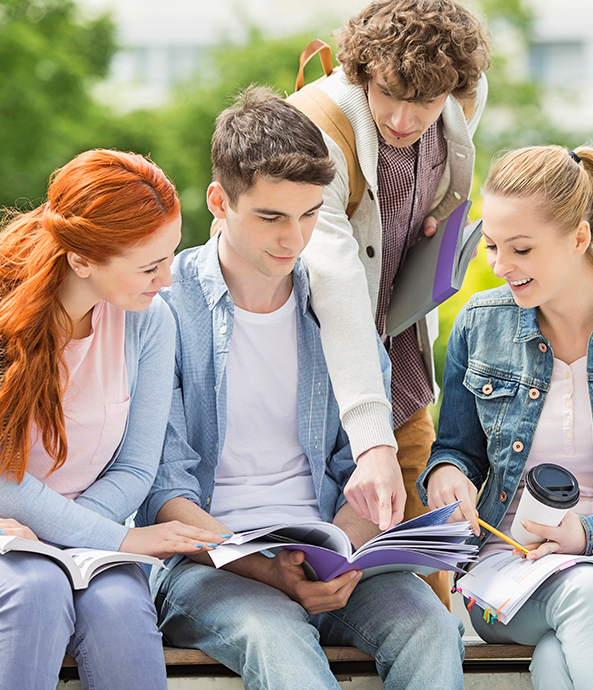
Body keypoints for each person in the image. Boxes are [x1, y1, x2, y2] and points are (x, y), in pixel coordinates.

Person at [136, 85, 465, 690]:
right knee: (277, 635)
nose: (294, 239)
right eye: (271, 217)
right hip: (208, 564)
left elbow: (360, 473)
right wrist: (271, 573)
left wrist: (341, 555)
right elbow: (163, 490)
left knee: (430, 626)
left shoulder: (337, 304)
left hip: (332, 554)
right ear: (219, 201)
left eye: (310, 215)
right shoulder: (164, 307)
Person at [0, 149, 226, 690]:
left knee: (120, 606)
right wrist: (119, 541)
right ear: (82, 260)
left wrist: (74, 537)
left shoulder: (150, 322)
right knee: (37, 589)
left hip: (85, 536)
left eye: (170, 257)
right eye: (150, 266)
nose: (167, 280)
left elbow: (134, 469)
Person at [298, 0, 491, 606]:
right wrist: (370, 438)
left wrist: (431, 216)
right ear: (360, 71)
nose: (404, 120)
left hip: (401, 360)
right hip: (313, 368)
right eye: (388, 94)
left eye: (426, 104)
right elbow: (333, 279)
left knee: (428, 572)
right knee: (317, 575)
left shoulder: (466, 95)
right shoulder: (316, 128)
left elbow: (442, 178)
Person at [420, 144, 593, 690]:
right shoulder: (481, 323)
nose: (499, 266)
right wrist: (447, 476)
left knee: (555, 660)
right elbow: (455, 452)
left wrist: (582, 534)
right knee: (583, 598)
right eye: (491, 246)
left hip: (583, 569)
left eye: (520, 248)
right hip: (506, 573)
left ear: (580, 239)